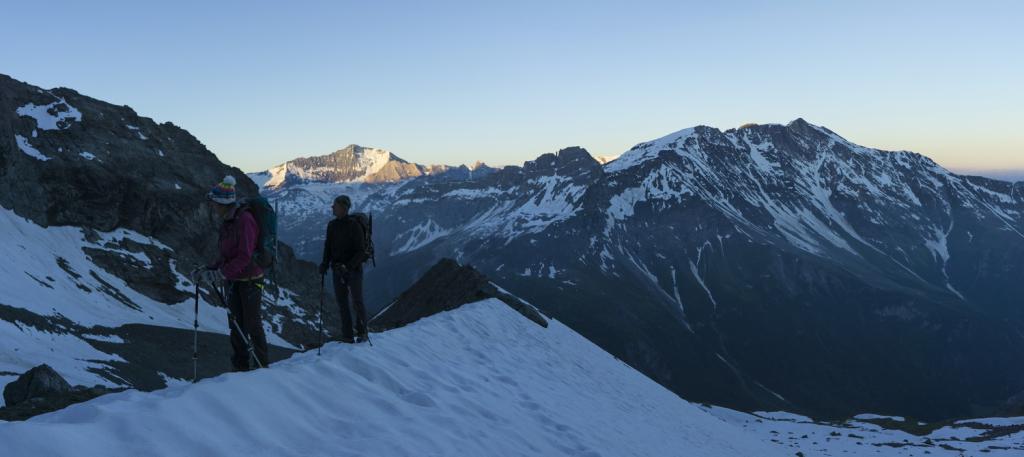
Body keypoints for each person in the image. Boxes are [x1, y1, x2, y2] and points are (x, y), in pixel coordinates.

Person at [203, 175, 270, 370]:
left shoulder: (245, 220)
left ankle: (261, 367)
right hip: (234, 279)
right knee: (236, 325)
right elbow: (228, 254)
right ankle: (240, 368)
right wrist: (212, 267)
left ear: (222, 203)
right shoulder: (228, 220)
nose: (212, 207)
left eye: (214, 203)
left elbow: (245, 256)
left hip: (250, 279)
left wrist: (221, 273)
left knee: (252, 324)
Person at [319, 195, 369, 343]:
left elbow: (361, 251)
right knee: (344, 303)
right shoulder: (332, 225)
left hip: (352, 270)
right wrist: (324, 264)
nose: (332, 208)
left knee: (355, 301)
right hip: (339, 269)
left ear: (343, 208)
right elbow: (328, 246)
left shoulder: (354, 226)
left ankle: (361, 333)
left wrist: (347, 266)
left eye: (335, 205)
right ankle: (348, 335)